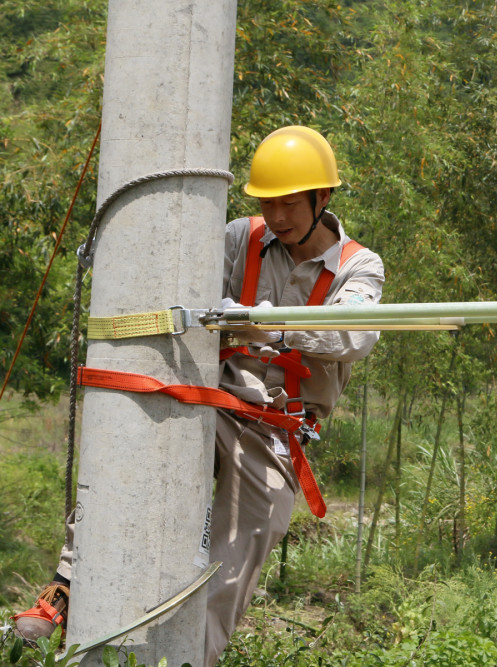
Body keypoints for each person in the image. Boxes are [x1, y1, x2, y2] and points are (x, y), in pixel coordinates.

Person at [14, 126, 385, 665]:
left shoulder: (358, 266)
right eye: (269, 203)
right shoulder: (241, 238)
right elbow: (175, 277)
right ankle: (68, 582)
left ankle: (189, 657)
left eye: (290, 204)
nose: (278, 217)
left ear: (322, 197)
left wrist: (265, 327)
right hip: (212, 397)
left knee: (245, 545)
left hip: (274, 427)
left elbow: (354, 333)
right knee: (129, 438)